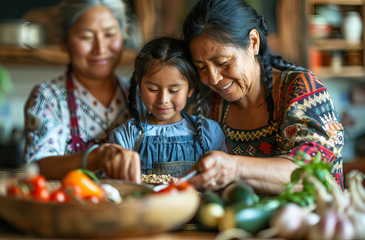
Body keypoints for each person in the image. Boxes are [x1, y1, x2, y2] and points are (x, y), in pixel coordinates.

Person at [182, 0, 344, 194]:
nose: (214, 79)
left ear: (253, 42)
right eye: (201, 67)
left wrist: (235, 168)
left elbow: (313, 172)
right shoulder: (207, 103)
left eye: (223, 62)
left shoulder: (300, 89)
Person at [24, 0, 144, 182]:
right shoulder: (49, 97)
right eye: (86, 37)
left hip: (133, 207)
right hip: (73, 207)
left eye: (110, 34)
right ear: (63, 42)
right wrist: (95, 157)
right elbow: (38, 167)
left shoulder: (141, 94)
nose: (100, 48)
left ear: (124, 35)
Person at [109, 37, 227, 178]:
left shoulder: (210, 133)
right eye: (152, 89)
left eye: (174, 90)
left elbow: (221, 180)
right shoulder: (126, 136)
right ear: (139, 85)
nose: (163, 100)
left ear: (190, 88)